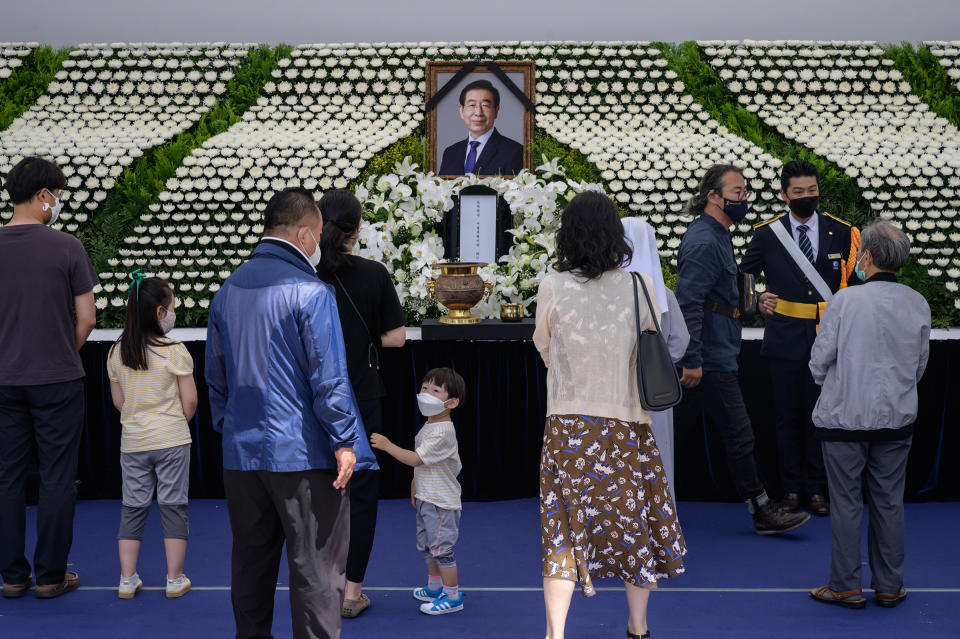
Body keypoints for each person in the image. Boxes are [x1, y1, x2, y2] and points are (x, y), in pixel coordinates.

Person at [205, 187, 363, 639]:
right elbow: (328, 379)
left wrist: (232, 428)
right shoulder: (311, 292)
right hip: (304, 456)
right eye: (316, 235)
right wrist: (344, 441)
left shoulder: (227, 289)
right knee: (315, 570)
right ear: (304, 234)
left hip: (242, 453)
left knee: (250, 563)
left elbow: (216, 376)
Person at [534, 191, 686, 639]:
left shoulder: (551, 285)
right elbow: (652, 341)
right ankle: (638, 626)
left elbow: (544, 348)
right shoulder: (639, 286)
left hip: (567, 425)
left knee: (561, 532)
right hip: (626, 424)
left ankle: (555, 633)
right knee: (631, 524)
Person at [676, 164, 810, 535]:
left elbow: (717, 291)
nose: (744, 199)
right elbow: (689, 302)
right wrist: (693, 359)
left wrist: (752, 298)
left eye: (745, 192)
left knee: (671, 436)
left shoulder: (716, 234)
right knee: (739, 434)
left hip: (715, 353)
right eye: (737, 192)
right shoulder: (705, 240)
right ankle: (763, 511)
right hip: (710, 358)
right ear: (713, 197)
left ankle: (632, 502)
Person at [808, 221, 930, 610]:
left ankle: (844, 586)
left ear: (868, 257)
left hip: (844, 417)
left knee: (845, 502)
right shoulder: (918, 303)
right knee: (890, 502)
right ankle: (890, 586)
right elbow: (919, 367)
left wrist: (831, 382)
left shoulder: (845, 300)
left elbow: (819, 360)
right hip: (897, 418)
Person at [0, 157, 98, 600]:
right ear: (44, 196)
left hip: (3, 380)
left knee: (7, 477)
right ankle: (49, 576)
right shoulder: (66, 247)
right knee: (58, 476)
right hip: (57, 378)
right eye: (57, 195)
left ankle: (12, 576)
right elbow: (87, 318)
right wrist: (61, 349)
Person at [741, 160, 861, 516]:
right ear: (784, 195)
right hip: (785, 338)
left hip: (828, 339)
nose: (806, 198)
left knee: (821, 416)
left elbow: (853, 283)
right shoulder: (767, 234)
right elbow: (744, 277)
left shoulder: (840, 232)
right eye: (798, 193)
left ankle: (818, 488)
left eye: (811, 191)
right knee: (787, 417)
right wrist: (757, 299)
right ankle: (791, 489)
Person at [314, 190, 406, 619]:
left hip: (312, 397)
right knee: (362, 495)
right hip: (361, 397)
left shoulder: (306, 274)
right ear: (357, 229)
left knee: (316, 488)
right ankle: (352, 593)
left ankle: (318, 587)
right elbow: (396, 338)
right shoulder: (373, 274)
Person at [107, 274, 197, 600]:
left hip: (133, 442)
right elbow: (190, 400)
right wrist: (174, 424)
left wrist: (138, 420)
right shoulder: (174, 350)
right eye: (172, 306)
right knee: (174, 507)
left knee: (133, 507)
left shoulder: (117, 351)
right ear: (160, 312)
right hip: (172, 439)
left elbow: (119, 403)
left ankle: (127, 579)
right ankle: (174, 579)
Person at [370, 367, 466, 616]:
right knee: (427, 546)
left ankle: (452, 596)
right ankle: (435, 588)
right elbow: (425, 465)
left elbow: (417, 459)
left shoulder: (443, 431)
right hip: (427, 497)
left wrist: (388, 445)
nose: (426, 393)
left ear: (452, 402)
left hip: (441, 502)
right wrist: (415, 486)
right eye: (425, 387)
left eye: (435, 390)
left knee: (442, 550)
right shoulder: (430, 425)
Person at [621, 216, 690, 499]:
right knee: (657, 452)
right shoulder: (663, 295)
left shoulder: (606, 293)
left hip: (616, 387)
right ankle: (660, 518)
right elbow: (680, 342)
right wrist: (657, 362)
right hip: (654, 387)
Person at [438, 79, 524, 176]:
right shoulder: (450, 153)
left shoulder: (514, 152)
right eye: (472, 105)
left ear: (496, 111)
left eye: (485, 105)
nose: (478, 112)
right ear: (461, 111)